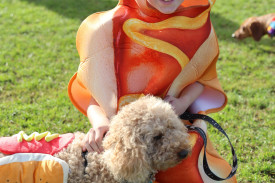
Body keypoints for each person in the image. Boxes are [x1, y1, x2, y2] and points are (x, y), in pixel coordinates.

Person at [68, 0, 237, 182]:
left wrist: (183, 102)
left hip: (176, 129)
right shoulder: (106, 28)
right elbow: (96, 92)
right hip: (126, 139)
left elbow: (200, 77)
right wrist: (100, 122)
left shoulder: (198, 25)